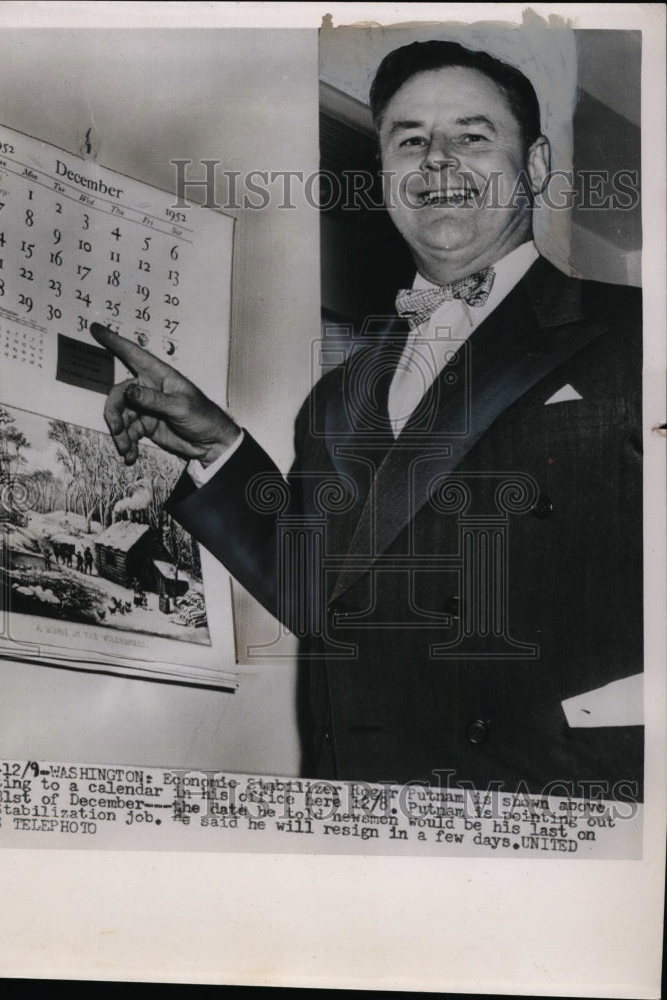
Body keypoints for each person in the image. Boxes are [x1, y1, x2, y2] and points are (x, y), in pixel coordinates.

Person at [92, 40, 643, 800]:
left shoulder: (639, 332)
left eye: (472, 136)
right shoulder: (335, 397)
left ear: (538, 165)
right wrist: (219, 447)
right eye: (409, 139)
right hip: (357, 808)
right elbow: (321, 596)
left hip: (552, 803)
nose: (437, 161)